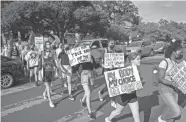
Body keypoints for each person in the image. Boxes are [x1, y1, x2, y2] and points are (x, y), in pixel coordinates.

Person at [105, 52, 141, 122]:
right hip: (123, 96)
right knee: (118, 112)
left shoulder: (137, 71)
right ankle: (108, 119)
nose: (140, 60)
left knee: (136, 115)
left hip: (133, 95)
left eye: (139, 59)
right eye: (138, 59)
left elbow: (135, 84)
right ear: (132, 60)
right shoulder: (125, 69)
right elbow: (117, 80)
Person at [157, 42, 183, 122]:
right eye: (179, 52)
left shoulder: (175, 63)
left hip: (175, 90)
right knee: (176, 112)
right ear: (173, 52)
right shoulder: (164, 62)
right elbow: (160, 79)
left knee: (172, 113)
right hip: (165, 89)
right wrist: (171, 83)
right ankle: (161, 118)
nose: (181, 53)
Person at [77, 51, 96, 120]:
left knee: (90, 90)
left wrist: (92, 61)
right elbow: (77, 65)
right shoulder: (82, 57)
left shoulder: (91, 56)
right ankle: (90, 112)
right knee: (88, 93)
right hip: (84, 74)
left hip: (91, 74)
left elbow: (94, 66)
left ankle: (82, 101)